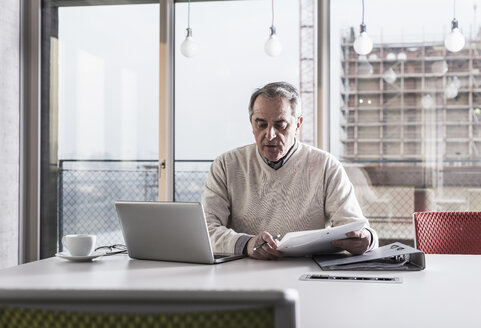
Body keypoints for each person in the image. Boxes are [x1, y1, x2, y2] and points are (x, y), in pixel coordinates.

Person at [201, 81, 378, 260]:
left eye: (281, 125)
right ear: (251, 123)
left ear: (298, 124)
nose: (270, 135)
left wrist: (367, 239)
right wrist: (247, 244)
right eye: (261, 124)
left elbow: (357, 228)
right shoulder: (226, 165)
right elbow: (205, 229)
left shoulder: (326, 166)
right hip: (240, 270)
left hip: (307, 272)